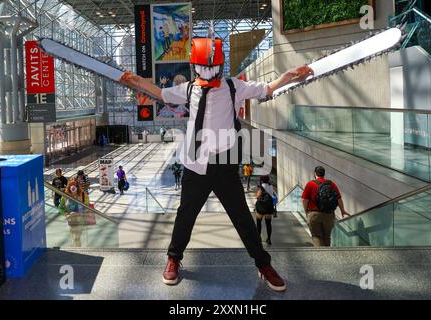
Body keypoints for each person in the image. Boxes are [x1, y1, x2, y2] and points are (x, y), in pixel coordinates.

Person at [119, 36, 313, 292]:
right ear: (195, 66)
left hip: (224, 164)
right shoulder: (188, 89)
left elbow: (266, 88)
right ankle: (173, 258)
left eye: (212, 67)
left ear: (220, 66)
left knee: (242, 216)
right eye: (203, 67)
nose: (208, 72)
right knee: (185, 215)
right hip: (195, 164)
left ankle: (263, 264)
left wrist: (289, 75)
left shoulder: (234, 87)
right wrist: (136, 81)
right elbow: (160, 93)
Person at [301, 166, 350, 247]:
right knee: (327, 236)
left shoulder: (310, 184)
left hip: (314, 214)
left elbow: (305, 200)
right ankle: (327, 255)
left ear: (315, 173)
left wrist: (306, 211)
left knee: (316, 236)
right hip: (329, 214)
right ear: (324, 174)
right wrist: (342, 210)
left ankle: (321, 256)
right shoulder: (331, 184)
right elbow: (339, 198)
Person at [58, 179, 88, 247]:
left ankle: (77, 249)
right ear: (69, 188)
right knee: (75, 237)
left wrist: (80, 213)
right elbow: (61, 208)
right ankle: (77, 249)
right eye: (71, 187)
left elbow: (87, 207)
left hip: (80, 220)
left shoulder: (83, 195)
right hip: (70, 220)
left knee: (77, 237)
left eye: (75, 186)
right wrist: (67, 214)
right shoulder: (65, 197)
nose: (73, 191)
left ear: (77, 187)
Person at [255, 175, 278, 245]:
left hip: (261, 208)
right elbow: (272, 196)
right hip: (269, 207)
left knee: (259, 224)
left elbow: (258, 196)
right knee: (268, 224)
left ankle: (258, 238)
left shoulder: (261, 186)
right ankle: (269, 239)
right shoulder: (271, 186)